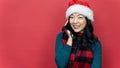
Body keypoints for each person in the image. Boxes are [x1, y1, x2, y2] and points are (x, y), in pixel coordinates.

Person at [55, 0, 102, 68]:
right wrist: (70, 40)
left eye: (80, 17)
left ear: (87, 20)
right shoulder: (61, 37)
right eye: (72, 17)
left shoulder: (95, 43)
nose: (75, 21)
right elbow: (61, 64)